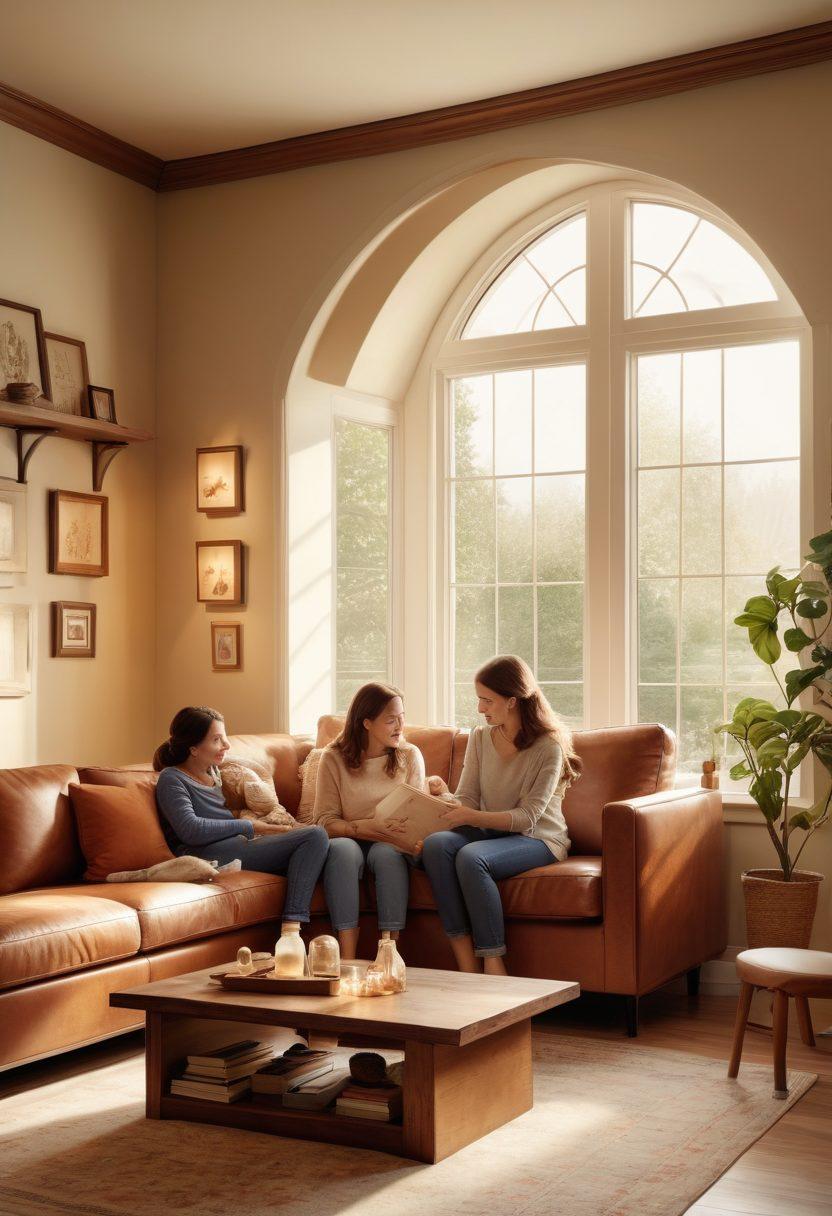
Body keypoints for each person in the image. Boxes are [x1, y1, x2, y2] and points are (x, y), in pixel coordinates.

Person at [421, 655, 580, 976]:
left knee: (471, 857)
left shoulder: (548, 747)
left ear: (512, 701)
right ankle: (466, 962)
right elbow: (467, 799)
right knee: (437, 845)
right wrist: (442, 797)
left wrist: (469, 816)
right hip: (493, 831)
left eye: (487, 700)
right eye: (479, 699)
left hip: (538, 839)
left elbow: (528, 818)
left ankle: (494, 962)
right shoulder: (480, 738)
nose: (480, 708)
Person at [153, 706, 329, 929]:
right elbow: (191, 830)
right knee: (314, 836)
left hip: (235, 845)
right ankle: (292, 927)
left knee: (332, 849)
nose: (226, 745)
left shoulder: (212, 771)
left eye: (224, 738)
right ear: (194, 748)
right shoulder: (172, 779)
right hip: (203, 854)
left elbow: (245, 768)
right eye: (217, 740)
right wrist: (250, 825)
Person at [313, 683, 426, 960]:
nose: (401, 726)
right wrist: (363, 827)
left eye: (402, 717)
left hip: (391, 842)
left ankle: (389, 954)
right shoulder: (333, 758)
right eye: (391, 720)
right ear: (366, 723)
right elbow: (324, 822)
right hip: (348, 837)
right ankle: (347, 958)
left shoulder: (409, 755)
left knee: (387, 854)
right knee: (341, 851)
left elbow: (420, 815)